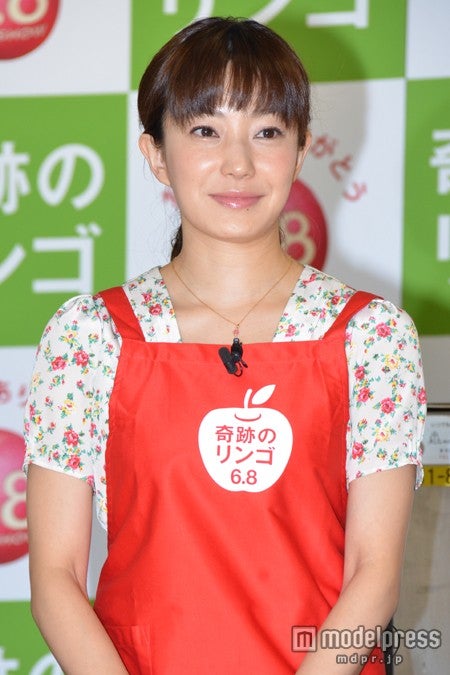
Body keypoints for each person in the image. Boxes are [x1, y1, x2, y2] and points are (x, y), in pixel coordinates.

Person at [24, 16, 426, 675]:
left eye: (267, 131)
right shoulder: (91, 336)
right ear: (156, 152)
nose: (239, 163)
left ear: (301, 150)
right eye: (205, 130)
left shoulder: (370, 336)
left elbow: (373, 573)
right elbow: (55, 576)